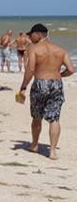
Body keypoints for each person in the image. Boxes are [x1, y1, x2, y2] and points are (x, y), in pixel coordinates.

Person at [19, 23, 75, 160]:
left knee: (37, 116)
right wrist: (59, 76)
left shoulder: (34, 49)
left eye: (31, 34)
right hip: (56, 84)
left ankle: (34, 145)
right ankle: (53, 151)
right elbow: (71, 70)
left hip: (40, 83)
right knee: (54, 118)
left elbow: (31, 70)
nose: (30, 37)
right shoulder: (60, 50)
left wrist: (23, 87)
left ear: (38, 34)